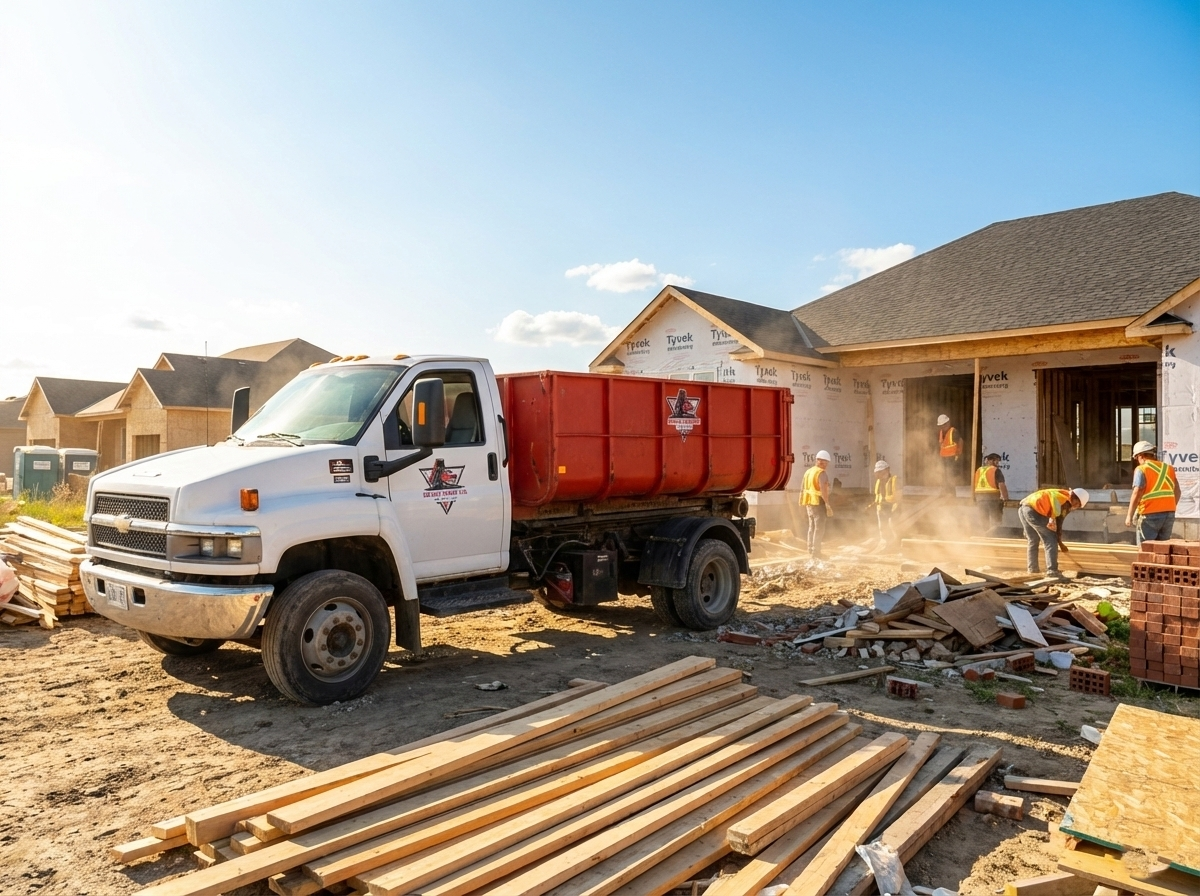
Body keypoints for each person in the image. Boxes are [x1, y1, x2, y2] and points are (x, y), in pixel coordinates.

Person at [1019, 487, 1089, 575]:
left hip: (1023, 508)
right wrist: (1059, 541)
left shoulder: (1062, 494)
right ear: (1076, 499)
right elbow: (1059, 522)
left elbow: (1055, 516)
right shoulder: (1065, 502)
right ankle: (1052, 571)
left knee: (1033, 540)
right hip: (1035, 511)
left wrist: (1059, 540)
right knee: (1050, 539)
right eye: (1078, 504)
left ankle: (1033, 569)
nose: (1076, 507)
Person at [1124, 440, 1181, 545]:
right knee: (1162, 550)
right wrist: (1169, 507)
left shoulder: (1142, 469)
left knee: (1146, 550)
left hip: (1149, 515)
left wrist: (1129, 515)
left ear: (1140, 455)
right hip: (1169, 515)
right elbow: (1177, 491)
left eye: (1136, 458)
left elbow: (1137, 493)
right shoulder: (1168, 468)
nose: (1137, 461)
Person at [801, 450, 833, 560]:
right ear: (819, 461)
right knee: (819, 528)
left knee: (812, 526)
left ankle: (810, 549)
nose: (826, 465)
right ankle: (816, 552)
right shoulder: (821, 473)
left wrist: (802, 502)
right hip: (818, 502)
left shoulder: (808, 472)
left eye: (826, 463)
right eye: (825, 463)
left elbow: (803, 488)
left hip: (809, 502)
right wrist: (827, 504)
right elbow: (823, 489)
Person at [973, 452, 1009, 533]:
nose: (998, 463)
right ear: (991, 461)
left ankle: (985, 534)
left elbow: (974, 485)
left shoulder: (979, 470)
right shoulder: (996, 470)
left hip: (980, 499)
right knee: (996, 519)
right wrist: (1005, 498)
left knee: (984, 519)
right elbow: (1001, 485)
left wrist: (974, 498)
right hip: (993, 498)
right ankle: (994, 535)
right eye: (997, 461)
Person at [871, 459, 899, 548]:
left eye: (881, 472)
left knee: (892, 525)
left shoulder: (894, 480)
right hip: (881, 507)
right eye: (878, 472)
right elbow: (879, 494)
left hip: (892, 506)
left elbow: (899, 495)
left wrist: (896, 505)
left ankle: (895, 543)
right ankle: (885, 543)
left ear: (887, 470)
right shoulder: (879, 481)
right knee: (882, 527)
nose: (879, 474)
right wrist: (874, 504)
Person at [936, 414, 961, 492]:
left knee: (950, 476)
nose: (942, 427)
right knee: (944, 475)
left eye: (943, 425)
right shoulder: (941, 432)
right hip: (944, 458)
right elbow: (941, 443)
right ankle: (945, 491)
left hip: (952, 457)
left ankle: (952, 493)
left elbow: (960, 442)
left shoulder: (953, 431)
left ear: (948, 423)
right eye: (941, 425)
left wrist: (958, 454)